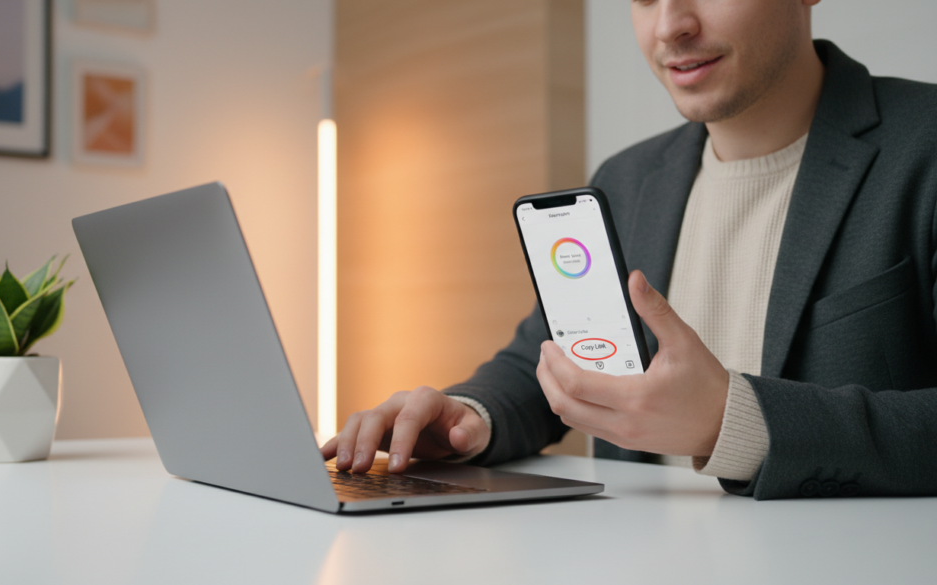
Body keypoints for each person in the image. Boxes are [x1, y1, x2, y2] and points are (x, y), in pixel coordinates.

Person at [321, 0, 937, 500]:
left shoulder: (925, 145)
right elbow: (545, 356)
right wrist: (465, 417)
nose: (672, 24)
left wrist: (735, 422)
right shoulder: (626, 179)